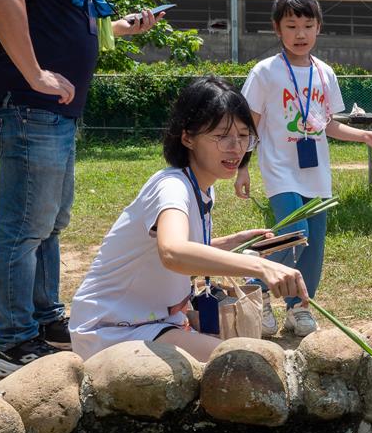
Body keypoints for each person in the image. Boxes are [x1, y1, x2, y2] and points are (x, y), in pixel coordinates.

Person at [0, 0, 163, 376]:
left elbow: (66, 24)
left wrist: (121, 27)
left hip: (55, 115)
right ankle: (14, 343)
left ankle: (44, 321)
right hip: (28, 109)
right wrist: (35, 73)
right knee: (25, 228)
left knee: (50, 223)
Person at [69, 77, 309, 363]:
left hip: (154, 321)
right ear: (187, 138)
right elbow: (173, 252)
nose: (236, 148)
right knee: (244, 362)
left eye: (244, 136)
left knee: (246, 357)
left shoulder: (200, 187)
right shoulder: (172, 187)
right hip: (113, 328)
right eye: (222, 136)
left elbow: (172, 249)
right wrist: (260, 266)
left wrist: (229, 243)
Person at [236, 0, 372, 338]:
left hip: (316, 173)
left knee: (314, 246)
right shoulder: (265, 72)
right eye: (291, 26)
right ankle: (253, 288)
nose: (300, 33)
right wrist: (242, 165)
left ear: (319, 27)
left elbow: (329, 124)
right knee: (294, 235)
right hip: (280, 170)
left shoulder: (325, 74)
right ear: (277, 29)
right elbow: (250, 123)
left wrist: (366, 137)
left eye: (308, 25)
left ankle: (298, 308)